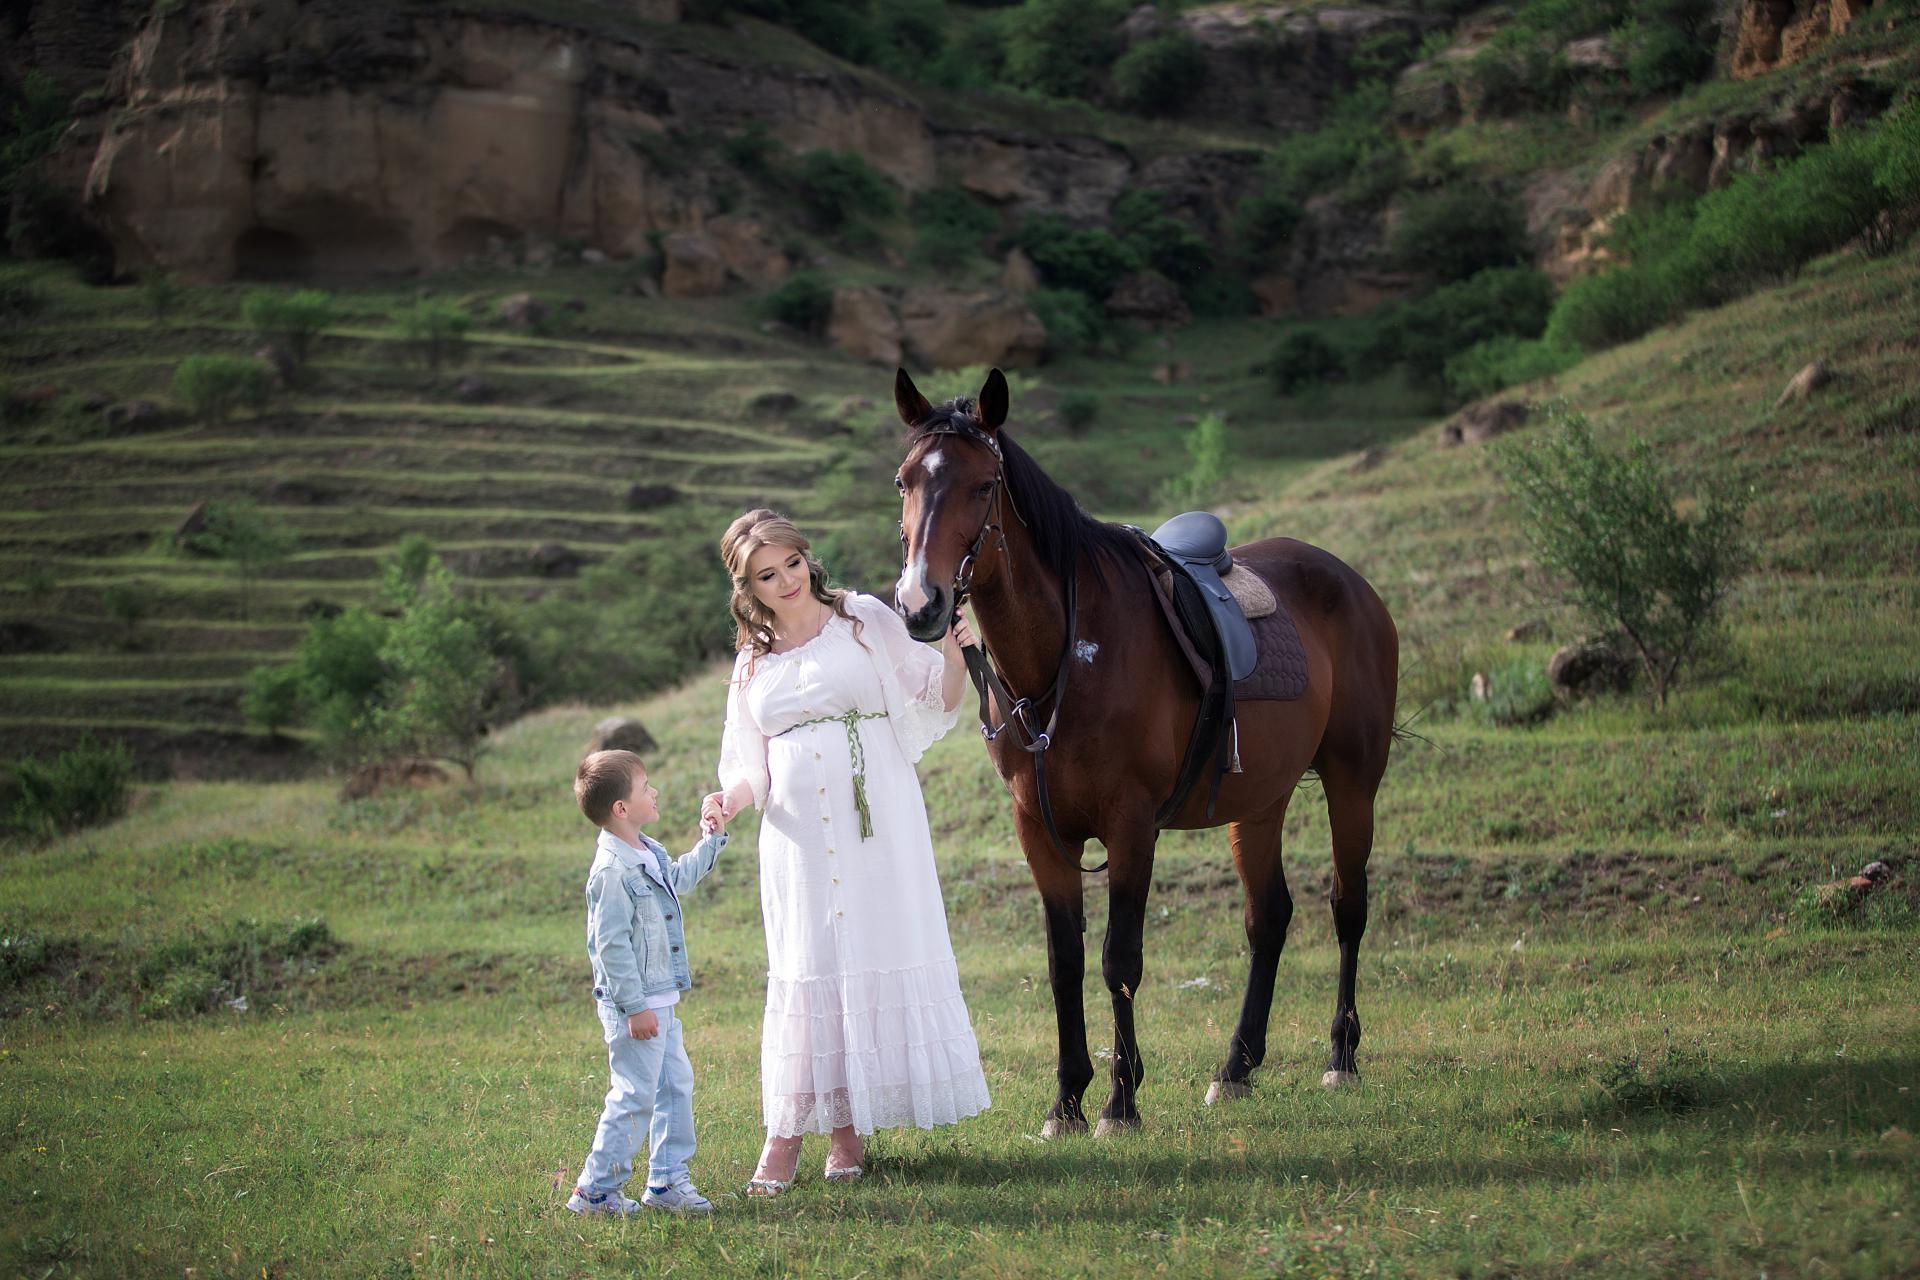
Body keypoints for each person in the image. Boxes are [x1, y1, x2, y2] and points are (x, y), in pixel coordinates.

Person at [705, 509, 989, 1195]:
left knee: (864, 959)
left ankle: (848, 1132)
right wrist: (727, 804)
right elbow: (749, 766)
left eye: (792, 564)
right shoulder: (752, 662)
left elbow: (934, 697)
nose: (787, 581)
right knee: (809, 967)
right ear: (748, 588)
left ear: (808, 557)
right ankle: (785, 1138)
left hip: (879, 820)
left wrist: (955, 652)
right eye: (768, 575)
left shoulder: (862, 618)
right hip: (796, 839)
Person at [567, 748, 731, 1216]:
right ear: (621, 808)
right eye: (645, 788)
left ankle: (666, 1182)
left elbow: (676, 879)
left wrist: (711, 840)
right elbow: (611, 947)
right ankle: (595, 1191)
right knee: (634, 1095)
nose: (654, 791)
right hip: (636, 1006)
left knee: (675, 1085)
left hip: (660, 998)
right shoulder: (612, 871)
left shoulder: (646, 849)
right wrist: (634, 1007)